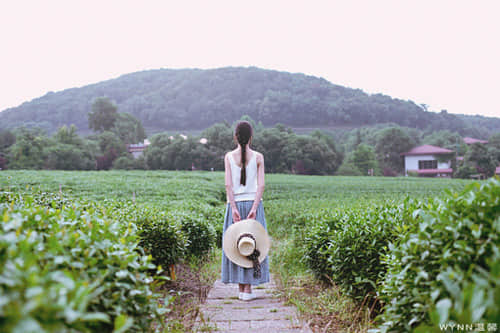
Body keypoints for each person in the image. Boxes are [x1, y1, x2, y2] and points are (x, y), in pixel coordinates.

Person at [221, 121, 270, 300]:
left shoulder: (228, 157)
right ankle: (248, 289)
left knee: (236, 245)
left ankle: (242, 289)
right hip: (253, 205)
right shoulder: (258, 157)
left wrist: (233, 208)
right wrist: (254, 208)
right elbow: (261, 184)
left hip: (234, 205)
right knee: (253, 244)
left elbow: (228, 185)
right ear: (251, 137)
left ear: (235, 136)